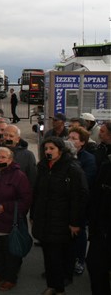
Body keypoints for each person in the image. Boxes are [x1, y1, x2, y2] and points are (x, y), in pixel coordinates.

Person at [31, 136, 88, 295]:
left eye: (51, 149)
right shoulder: (43, 167)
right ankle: (52, 285)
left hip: (62, 221)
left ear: (60, 150)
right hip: (45, 219)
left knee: (58, 256)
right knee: (48, 255)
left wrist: (75, 222)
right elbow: (37, 192)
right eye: (46, 149)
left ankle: (60, 287)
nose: (48, 152)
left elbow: (80, 197)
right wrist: (34, 213)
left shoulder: (72, 169)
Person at [0, 147, 32, 291]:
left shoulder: (19, 176)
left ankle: (10, 278)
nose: (0, 160)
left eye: (3, 157)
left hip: (9, 222)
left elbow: (25, 200)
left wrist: (6, 206)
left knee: (11, 253)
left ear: (10, 159)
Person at [66, 126, 97, 277]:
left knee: (79, 234)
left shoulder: (88, 159)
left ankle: (80, 259)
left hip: (80, 204)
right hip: (64, 203)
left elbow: (86, 182)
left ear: (82, 142)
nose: (70, 141)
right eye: (69, 137)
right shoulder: (64, 156)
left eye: (74, 139)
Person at [87, 120, 111, 295]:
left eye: (103, 131)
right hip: (102, 228)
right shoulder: (106, 164)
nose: (100, 133)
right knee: (95, 265)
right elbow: (97, 196)